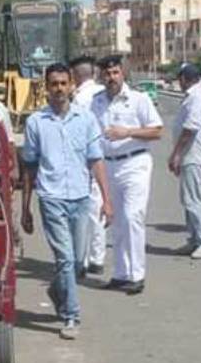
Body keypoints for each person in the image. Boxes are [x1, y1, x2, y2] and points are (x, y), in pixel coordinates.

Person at [21, 63, 112, 340]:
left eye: (63, 83)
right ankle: (71, 315)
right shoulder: (36, 122)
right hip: (51, 197)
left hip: (81, 198)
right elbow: (29, 166)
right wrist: (25, 207)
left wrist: (107, 200)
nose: (59, 89)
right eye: (54, 84)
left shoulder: (85, 119)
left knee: (78, 261)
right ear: (46, 87)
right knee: (65, 258)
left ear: (71, 85)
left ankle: (56, 290)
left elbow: (95, 160)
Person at [90, 55, 163, 295]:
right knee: (117, 221)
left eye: (115, 73)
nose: (111, 78)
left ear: (123, 74)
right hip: (108, 165)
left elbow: (157, 131)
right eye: (107, 74)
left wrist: (128, 132)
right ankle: (121, 273)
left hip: (135, 163)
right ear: (101, 76)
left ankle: (137, 274)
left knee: (133, 217)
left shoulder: (139, 99)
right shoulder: (96, 102)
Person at [169, 63, 201, 259]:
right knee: (188, 199)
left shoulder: (197, 96)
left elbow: (190, 128)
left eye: (180, 78)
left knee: (194, 199)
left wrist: (176, 154)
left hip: (194, 155)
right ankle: (195, 239)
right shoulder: (193, 95)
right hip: (190, 155)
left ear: (184, 78)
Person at [70, 55, 107, 277]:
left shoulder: (80, 99)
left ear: (75, 76)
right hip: (106, 156)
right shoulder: (102, 94)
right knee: (99, 210)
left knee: (84, 212)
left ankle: (81, 261)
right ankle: (97, 258)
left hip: (86, 159)